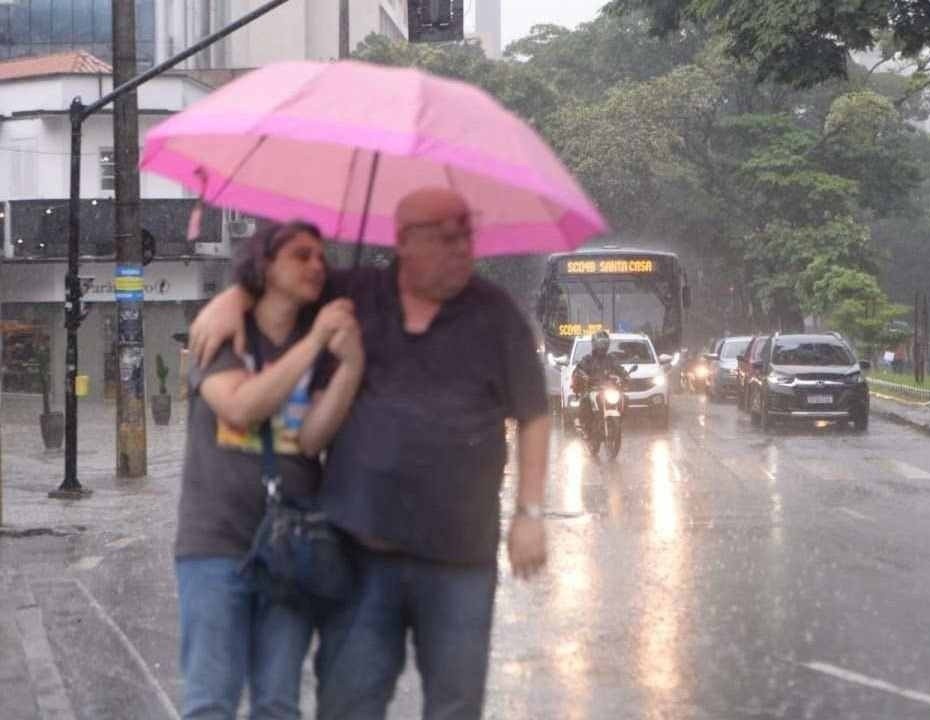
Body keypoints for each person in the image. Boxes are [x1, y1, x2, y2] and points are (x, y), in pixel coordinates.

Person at [188, 188, 550, 720]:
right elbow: (281, 284)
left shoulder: (496, 315)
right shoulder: (356, 294)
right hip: (361, 554)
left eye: (466, 234)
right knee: (347, 702)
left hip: (459, 559)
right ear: (405, 242)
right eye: (445, 237)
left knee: (455, 706)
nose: (462, 248)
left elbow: (535, 415)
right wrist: (231, 299)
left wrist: (530, 513)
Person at [176, 221, 364, 720]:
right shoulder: (222, 334)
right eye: (302, 255)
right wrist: (316, 342)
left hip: (290, 547)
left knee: (278, 704)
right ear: (265, 262)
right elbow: (239, 407)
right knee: (210, 702)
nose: (316, 265)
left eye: (322, 257)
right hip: (216, 544)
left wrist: (349, 367)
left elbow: (312, 439)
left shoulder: (319, 343)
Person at [571, 330, 629, 431]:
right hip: (592, 388)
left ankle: (620, 419)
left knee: (625, 398)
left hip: (607, 388)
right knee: (585, 400)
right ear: (594, 344)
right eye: (600, 343)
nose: (602, 346)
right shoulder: (588, 359)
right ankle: (584, 425)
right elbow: (579, 369)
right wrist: (583, 375)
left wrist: (625, 375)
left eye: (604, 343)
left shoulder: (611, 358)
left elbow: (619, 368)